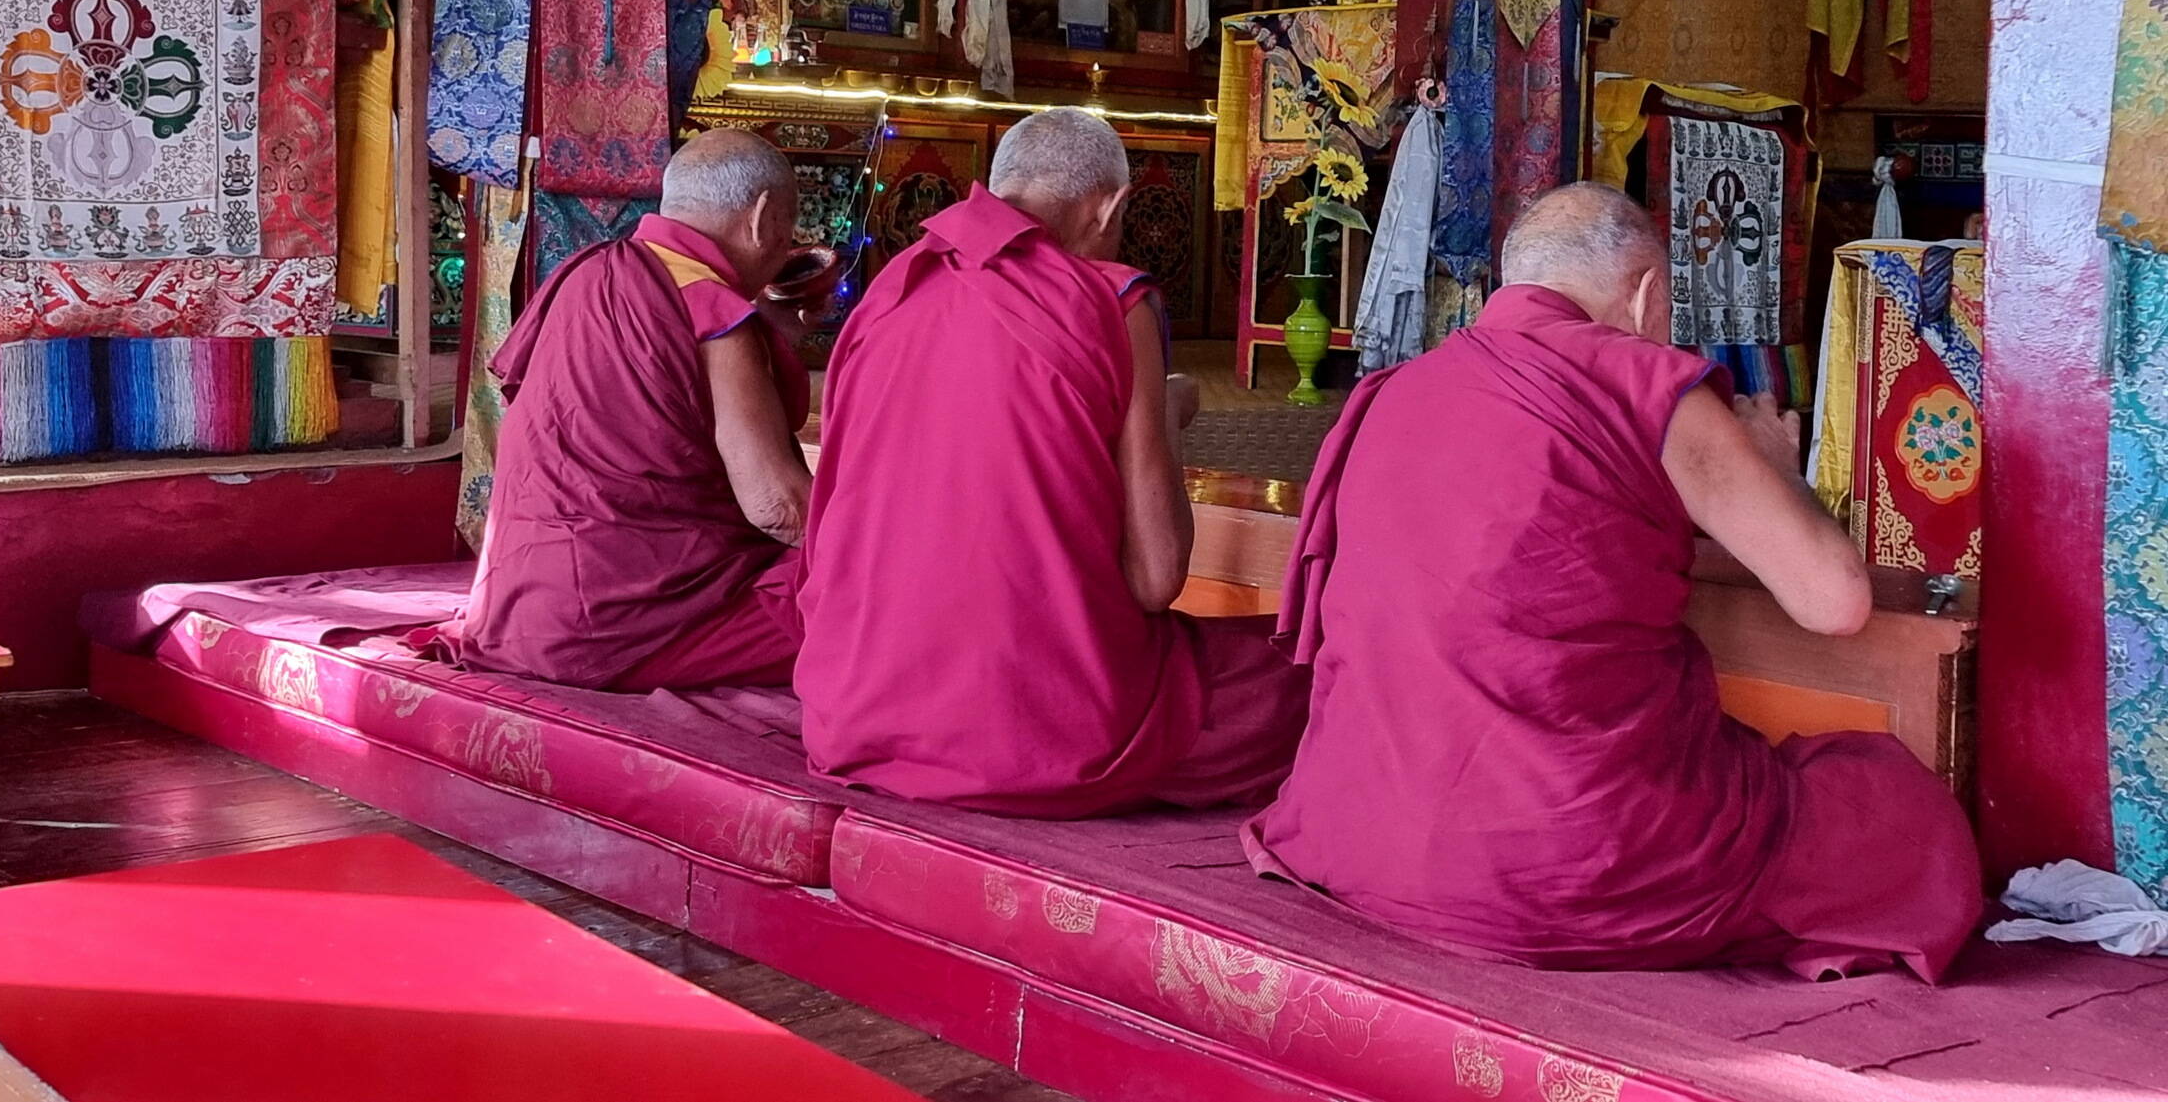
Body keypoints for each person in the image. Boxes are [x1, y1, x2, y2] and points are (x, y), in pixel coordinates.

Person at [1249, 183, 1983, 980]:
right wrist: (1778, 467)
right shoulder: (1643, 381)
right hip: (1565, 856)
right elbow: (1835, 601)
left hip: (1358, 832)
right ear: (1646, 291)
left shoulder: (1392, 391)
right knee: (1897, 811)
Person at [797, 107, 1309, 816]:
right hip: (1041, 730)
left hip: (857, 710)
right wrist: (1162, 408)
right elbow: (1157, 578)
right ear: (1111, 207)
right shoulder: (1111, 299)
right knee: (1308, 677)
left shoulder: (885, 293)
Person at [455, 129, 814, 691]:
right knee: (874, 607)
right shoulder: (713, 313)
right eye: (788, 229)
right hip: (626, 628)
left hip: (515, 609)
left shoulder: (586, 273)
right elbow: (777, 507)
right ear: (763, 218)